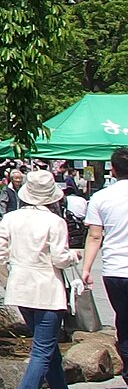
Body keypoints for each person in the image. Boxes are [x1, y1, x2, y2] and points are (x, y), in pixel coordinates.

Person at [0, 167, 87, 389]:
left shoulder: (11, 219)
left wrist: (7, 280)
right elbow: (59, 257)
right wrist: (73, 256)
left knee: (48, 349)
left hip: (20, 288)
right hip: (46, 289)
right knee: (43, 350)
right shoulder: (55, 222)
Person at [79, 148, 128, 368]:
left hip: (115, 270)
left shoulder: (100, 197)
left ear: (113, 169)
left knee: (124, 321)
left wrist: (86, 268)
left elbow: (95, 235)